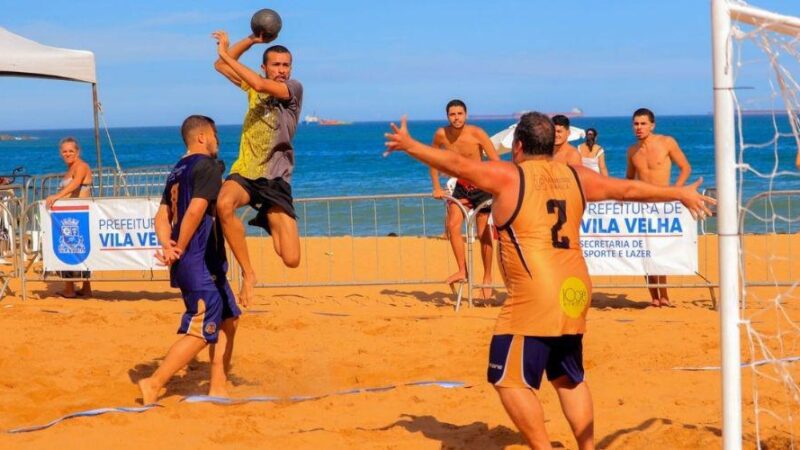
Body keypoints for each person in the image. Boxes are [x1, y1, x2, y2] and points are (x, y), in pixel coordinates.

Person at [384, 112, 713, 450]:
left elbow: (457, 164)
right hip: (576, 287)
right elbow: (627, 189)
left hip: (536, 290)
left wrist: (410, 145)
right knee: (567, 376)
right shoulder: (576, 175)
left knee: (506, 378)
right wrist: (678, 194)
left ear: (518, 145)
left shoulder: (510, 176)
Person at [138, 115, 241, 404]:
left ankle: (218, 386)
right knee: (201, 330)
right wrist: (179, 248)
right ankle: (154, 383)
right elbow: (195, 210)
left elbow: (161, 216)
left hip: (204, 262)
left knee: (229, 320)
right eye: (215, 135)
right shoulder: (206, 165)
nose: (218, 141)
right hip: (197, 262)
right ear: (202, 136)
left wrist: (167, 244)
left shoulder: (177, 170)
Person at [212, 31, 303, 306]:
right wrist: (251, 40)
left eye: (286, 65)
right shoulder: (254, 86)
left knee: (291, 259)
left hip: (276, 179)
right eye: (276, 65)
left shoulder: (293, 89)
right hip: (246, 171)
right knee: (223, 204)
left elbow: (259, 83)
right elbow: (221, 66)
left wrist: (226, 54)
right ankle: (248, 273)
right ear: (264, 66)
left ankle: (268, 216)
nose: (281, 70)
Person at [429, 99, 500, 298]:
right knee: (452, 225)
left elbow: (495, 161)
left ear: (466, 115)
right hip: (461, 186)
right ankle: (463, 270)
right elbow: (432, 160)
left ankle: (487, 277)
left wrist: (498, 187)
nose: (456, 118)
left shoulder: (477, 133)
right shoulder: (441, 134)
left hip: (482, 186)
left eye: (460, 114)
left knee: (483, 233)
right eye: (452, 114)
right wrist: (436, 187)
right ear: (447, 116)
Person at [625, 108, 692, 307]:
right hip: (642, 206)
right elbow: (629, 179)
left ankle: (664, 295)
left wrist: (675, 191)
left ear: (652, 125)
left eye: (643, 123)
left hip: (664, 206)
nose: (639, 127)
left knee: (661, 251)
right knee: (645, 252)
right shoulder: (632, 151)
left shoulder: (666, 142)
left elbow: (685, 168)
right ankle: (654, 297)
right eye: (636, 124)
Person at [45, 137, 93, 298]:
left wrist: (56, 196)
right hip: (70, 215)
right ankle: (81, 287)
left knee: (74, 249)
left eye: (71, 151)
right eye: (64, 151)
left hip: (79, 215)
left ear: (77, 152)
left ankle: (71, 288)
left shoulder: (82, 166)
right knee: (73, 249)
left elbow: (76, 183)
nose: (67, 154)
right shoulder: (70, 169)